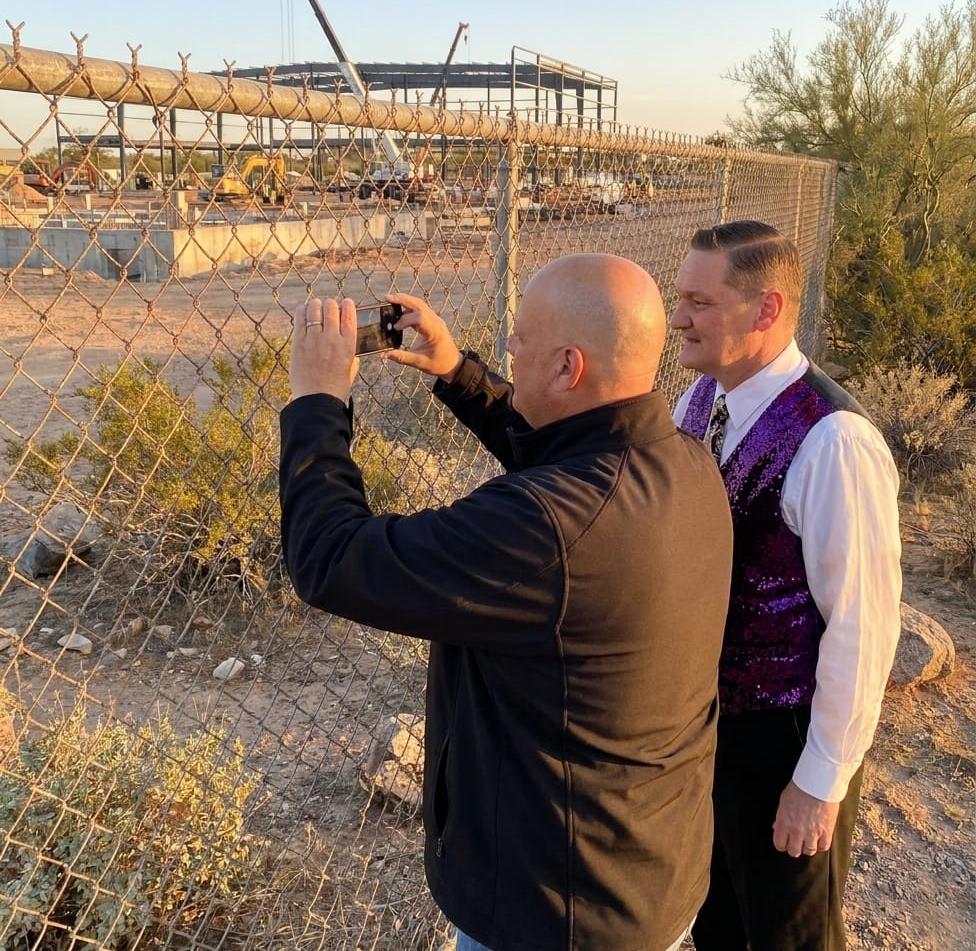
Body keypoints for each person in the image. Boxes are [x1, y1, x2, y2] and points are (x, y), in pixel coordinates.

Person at [280, 253, 734, 951]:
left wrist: (316, 400)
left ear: (568, 368)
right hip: (647, 877)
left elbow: (329, 558)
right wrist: (457, 372)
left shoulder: (548, 527)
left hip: (553, 916)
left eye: (521, 336)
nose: (510, 345)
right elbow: (572, 473)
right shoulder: (687, 463)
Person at [670, 221, 903, 951]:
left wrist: (819, 780)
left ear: (766, 310)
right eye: (681, 298)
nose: (679, 317)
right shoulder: (698, 402)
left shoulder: (833, 440)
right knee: (719, 923)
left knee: (789, 934)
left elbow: (863, 627)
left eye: (700, 302)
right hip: (710, 731)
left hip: (784, 739)